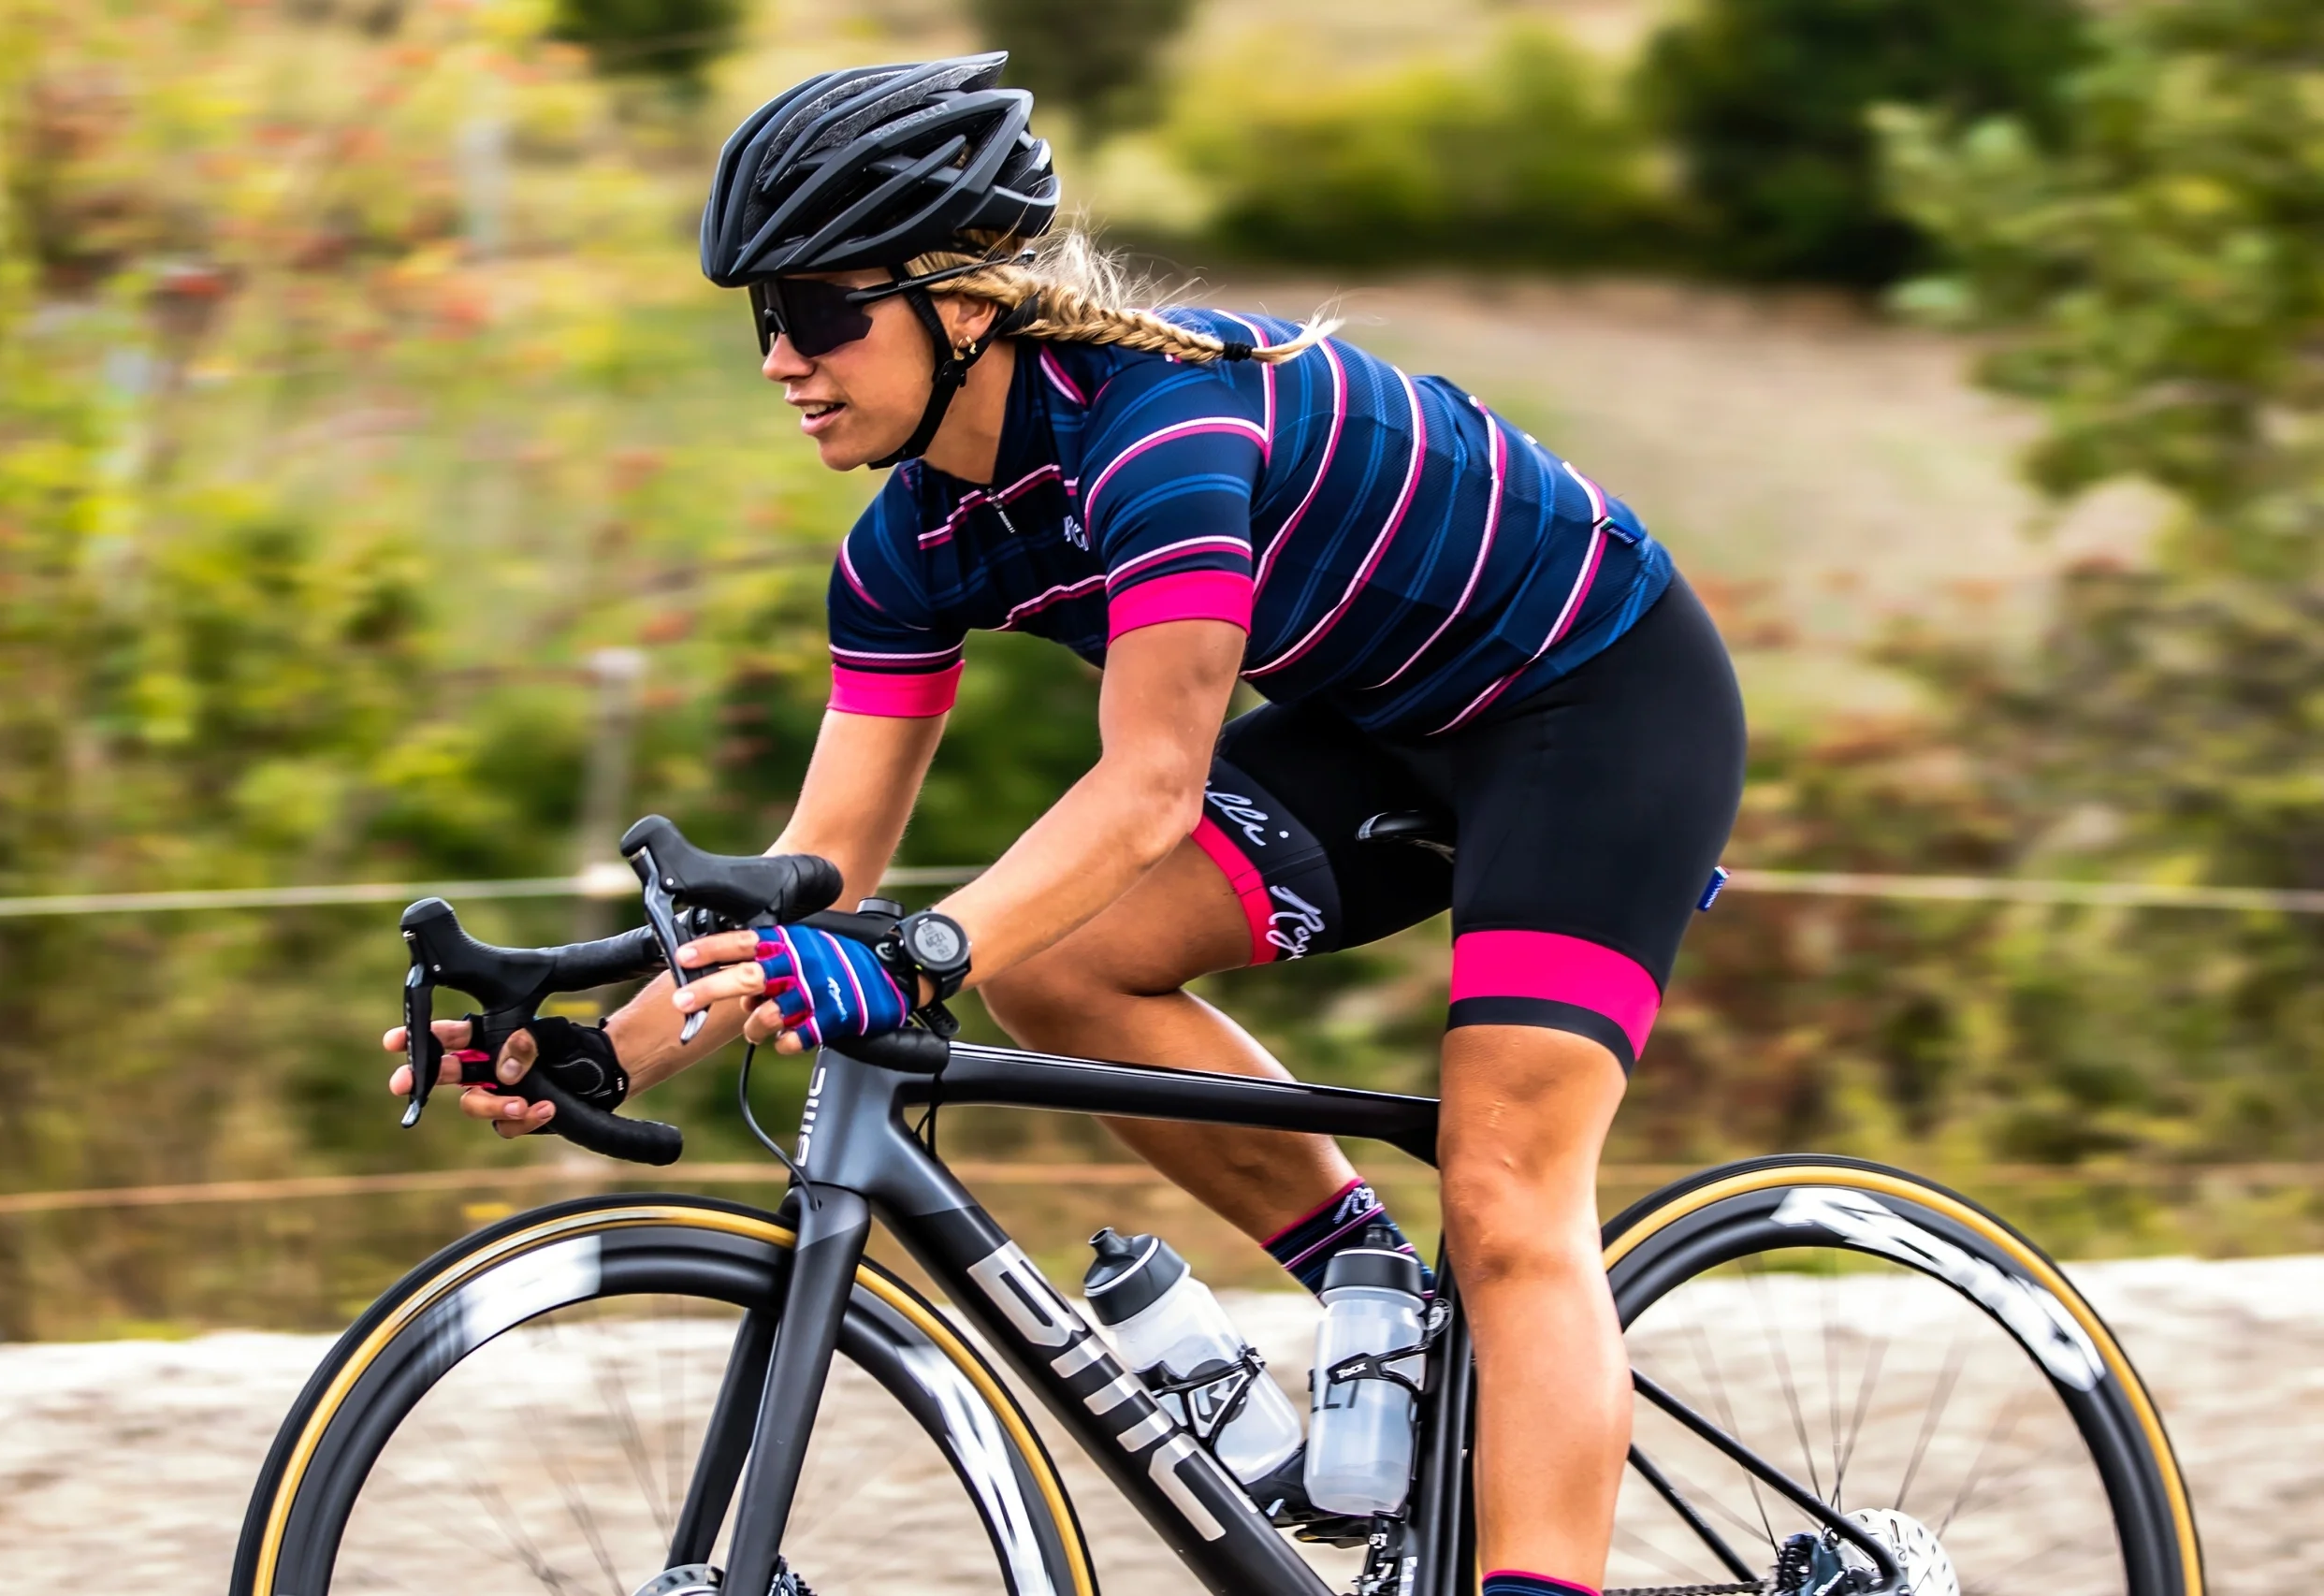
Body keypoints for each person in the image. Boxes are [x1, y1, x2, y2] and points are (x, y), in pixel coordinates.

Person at [386, 54, 1744, 1596]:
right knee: (1055, 961)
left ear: (965, 302)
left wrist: (916, 957)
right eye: (763, 315)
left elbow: (1152, 786)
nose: (780, 358)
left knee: (1504, 1193)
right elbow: (826, 866)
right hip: (1381, 725)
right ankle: (1365, 1271)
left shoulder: (1162, 435)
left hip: (1593, 702)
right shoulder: (909, 550)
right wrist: (604, 1050)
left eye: (821, 310)